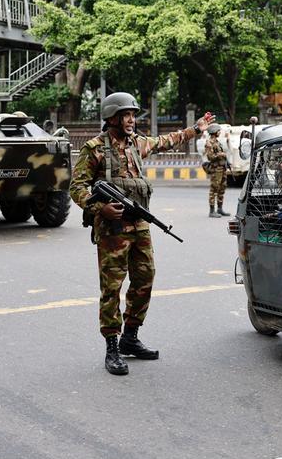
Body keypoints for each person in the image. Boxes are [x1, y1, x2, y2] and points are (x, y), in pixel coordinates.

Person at [69, 92, 214, 376]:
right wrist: (100, 208)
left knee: (145, 278)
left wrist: (195, 129)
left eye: (133, 115)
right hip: (112, 229)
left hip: (139, 226)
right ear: (112, 118)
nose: (132, 120)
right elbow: (77, 187)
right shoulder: (95, 149)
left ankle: (130, 338)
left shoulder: (137, 144)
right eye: (127, 115)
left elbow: (165, 142)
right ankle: (112, 346)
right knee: (112, 287)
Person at [204, 124, 230, 218]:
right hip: (216, 170)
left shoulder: (217, 142)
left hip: (222, 168)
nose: (220, 132)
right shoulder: (209, 143)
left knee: (222, 188)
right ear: (214, 132)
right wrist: (220, 154)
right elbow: (210, 157)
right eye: (218, 131)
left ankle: (220, 209)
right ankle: (212, 211)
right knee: (214, 189)